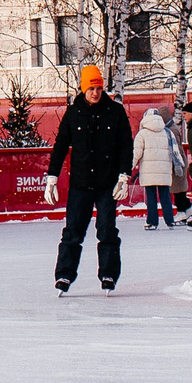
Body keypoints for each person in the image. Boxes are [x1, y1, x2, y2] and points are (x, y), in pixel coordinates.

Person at [46, 64, 134, 294]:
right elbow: (61, 145)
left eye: (98, 87)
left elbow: (126, 145)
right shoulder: (74, 112)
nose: (95, 92)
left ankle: (108, 274)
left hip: (107, 184)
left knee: (106, 230)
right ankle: (64, 275)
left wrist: (124, 176)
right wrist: (52, 176)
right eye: (91, 88)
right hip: (81, 184)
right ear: (83, 89)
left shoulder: (115, 111)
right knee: (73, 231)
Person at [133, 107, 179, 229]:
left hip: (149, 171)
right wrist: (179, 165)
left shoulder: (142, 134)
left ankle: (152, 221)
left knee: (151, 196)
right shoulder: (167, 132)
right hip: (164, 169)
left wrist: (129, 168)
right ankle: (170, 220)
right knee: (165, 195)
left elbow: (136, 153)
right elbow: (174, 150)